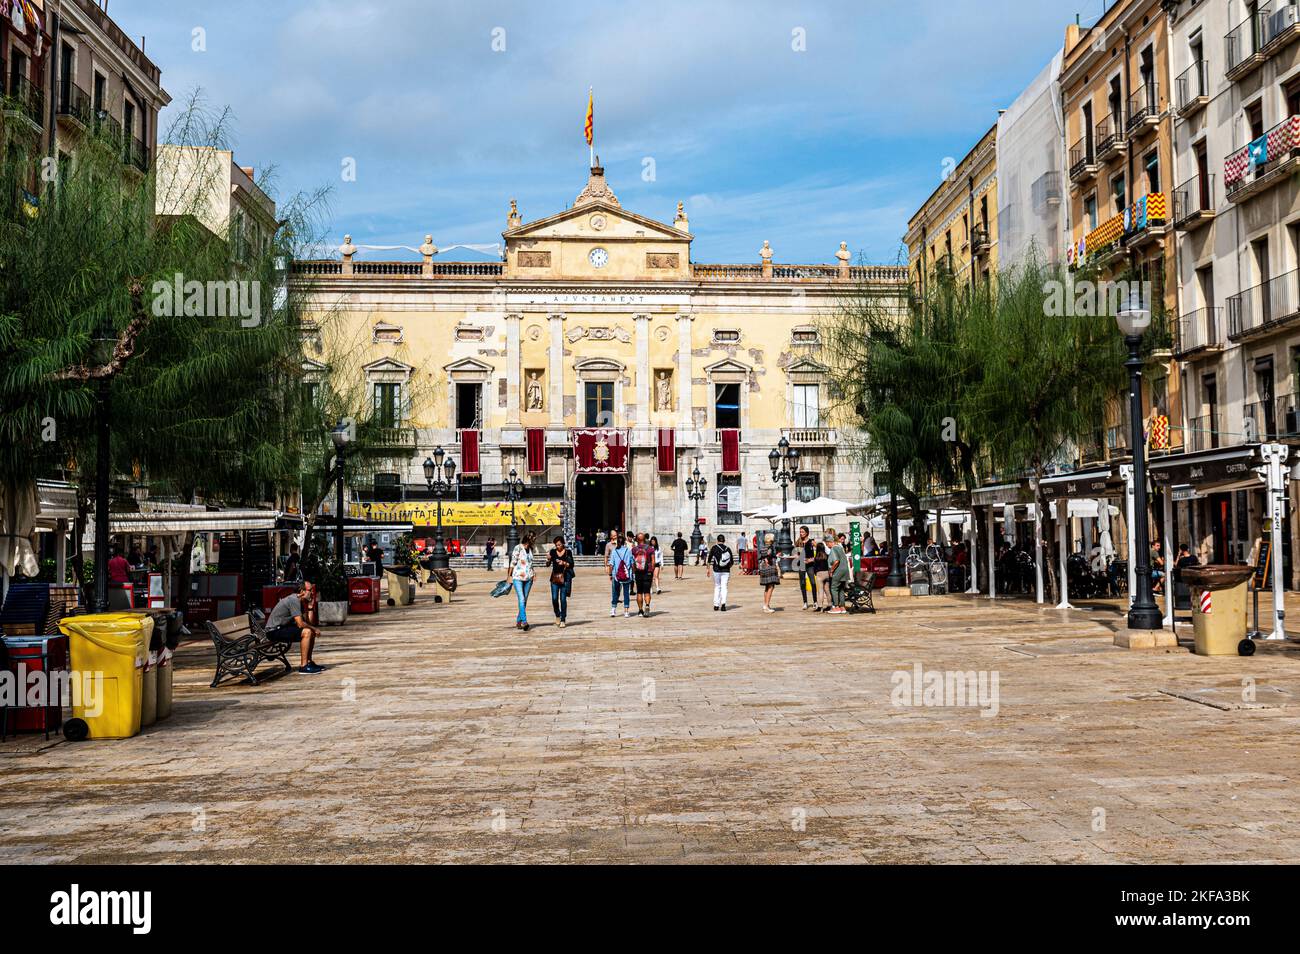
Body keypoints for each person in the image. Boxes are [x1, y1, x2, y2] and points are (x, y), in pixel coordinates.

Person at [265, 581, 324, 673]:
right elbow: (300, 623)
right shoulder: (294, 600)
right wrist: (314, 629)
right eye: (310, 590)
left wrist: (310, 607)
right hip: (273, 631)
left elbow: (309, 622)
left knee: (310, 631)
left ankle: (308, 662)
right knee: (307, 632)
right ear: (302, 591)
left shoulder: (300, 601)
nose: (312, 592)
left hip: (281, 628)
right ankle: (303, 666)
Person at [546, 535, 575, 628]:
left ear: (563, 544)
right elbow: (547, 564)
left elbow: (571, 564)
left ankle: (563, 619)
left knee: (563, 599)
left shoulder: (568, 552)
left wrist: (564, 563)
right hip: (554, 578)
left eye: (559, 545)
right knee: (554, 599)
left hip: (565, 578)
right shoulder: (553, 552)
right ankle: (557, 614)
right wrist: (548, 559)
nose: (558, 547)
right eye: (556, 545)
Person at [509, 532, 536, 630]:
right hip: (518, 578)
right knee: (522, 599)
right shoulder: (518, 548)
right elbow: (513, 562)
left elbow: (530, 563)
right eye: (533, 539)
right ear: (528, 539)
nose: (534, 541)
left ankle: (518, 621)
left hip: (529, 578)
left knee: (524, 600)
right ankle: (524, 621)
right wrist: (509, 576)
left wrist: (534, 573)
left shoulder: (530, 549)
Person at [607, 532, 633, 617]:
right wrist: (633, 574)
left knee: (615, 593)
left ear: (617, 542)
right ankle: (626, 611)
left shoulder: (614, 551)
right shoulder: (628, 551)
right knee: (626, 593)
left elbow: (611, 564)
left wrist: (610, 574)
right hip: (626, 575)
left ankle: (613, 610)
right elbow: (632, 563)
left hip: (616, 575)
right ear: (624, 542)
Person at [707, 533, 735, 611]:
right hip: (726, 571)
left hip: (716, 570)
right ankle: (723, 604)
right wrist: (727, 567)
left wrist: (708, 570)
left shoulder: (714, 548)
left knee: (717, 586)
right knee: (724, 587)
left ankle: (716, 605)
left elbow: (709, 560)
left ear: (717, 540)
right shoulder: (728, 549)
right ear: (724, 540)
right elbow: (732, 562)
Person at [793, 526, 818, 610]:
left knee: (813, 583)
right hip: (801, 565)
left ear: (807, 533)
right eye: (800, 532)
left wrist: (812, 559)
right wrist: (796, 556)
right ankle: (805, 602)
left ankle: (815, 602)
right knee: (802, 583)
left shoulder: (812, 542)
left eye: (802, 532)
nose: (801, 533)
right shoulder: (798, 542)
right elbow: (795, 553)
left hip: (810, 565)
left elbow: (820, 551)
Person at [631, 532, 656, 616]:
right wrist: (651, 571)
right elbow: (653, 561)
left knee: (639, 592)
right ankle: (647, 605)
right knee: (647, 591)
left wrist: (634, 572)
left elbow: (632, 562)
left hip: (638, 572)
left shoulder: (634, 549)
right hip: (647, 572)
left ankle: (640, 610)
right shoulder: (650, 549)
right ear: (645, 539)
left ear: (637, 539)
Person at [827, 532, 850, 614]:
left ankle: (836, 607)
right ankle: (842, 607)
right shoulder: (840, 548)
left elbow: (836, 561)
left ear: (830, 542)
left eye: (827, 544)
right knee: (841, 589)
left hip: (838, 572)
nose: (827, 546)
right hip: (845, 571)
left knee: (834, 588)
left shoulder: (833, 548)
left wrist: (831, 570)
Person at [758, 532, 781, 613]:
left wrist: (766, 558)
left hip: (763, 568)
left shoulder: (762, 547)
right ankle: (767, 605)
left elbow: (761, 556)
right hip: (770, 568)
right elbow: (769, 554)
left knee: (767, 587)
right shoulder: (770, 547)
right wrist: (775, 556)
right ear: (771, 540)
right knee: (771, 587)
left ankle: (765, 605)